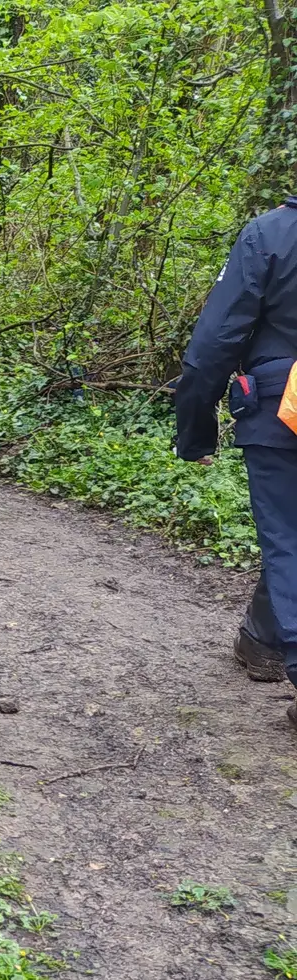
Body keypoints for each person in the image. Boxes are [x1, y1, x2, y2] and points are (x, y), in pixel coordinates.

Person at [174, 195, 297, 709]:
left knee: (288, 536)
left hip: (283, 410)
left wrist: (195, 431)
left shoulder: (271, 234)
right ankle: (262, 640)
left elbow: (216, 342)